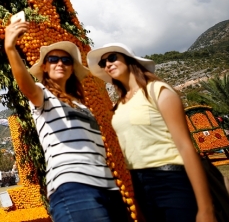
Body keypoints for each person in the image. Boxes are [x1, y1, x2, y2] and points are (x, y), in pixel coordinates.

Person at [4, 21, 127, 222]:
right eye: (53, 59)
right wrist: (10, 48)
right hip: (74, 187)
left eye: (66, 61)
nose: (60, 63)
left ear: (72, 69)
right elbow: (25, 84)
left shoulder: (83, 106)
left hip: (109, 189)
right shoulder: (42, 95)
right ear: (44, 66)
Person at [87, 43, 216, 222]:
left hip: (171, 179)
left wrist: (206, 209)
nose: (107, 64)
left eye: (112, 58)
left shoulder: (158, 90)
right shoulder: (119, 105)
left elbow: (185, 146)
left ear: (129, 59)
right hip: (139, 184)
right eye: (103, 63)